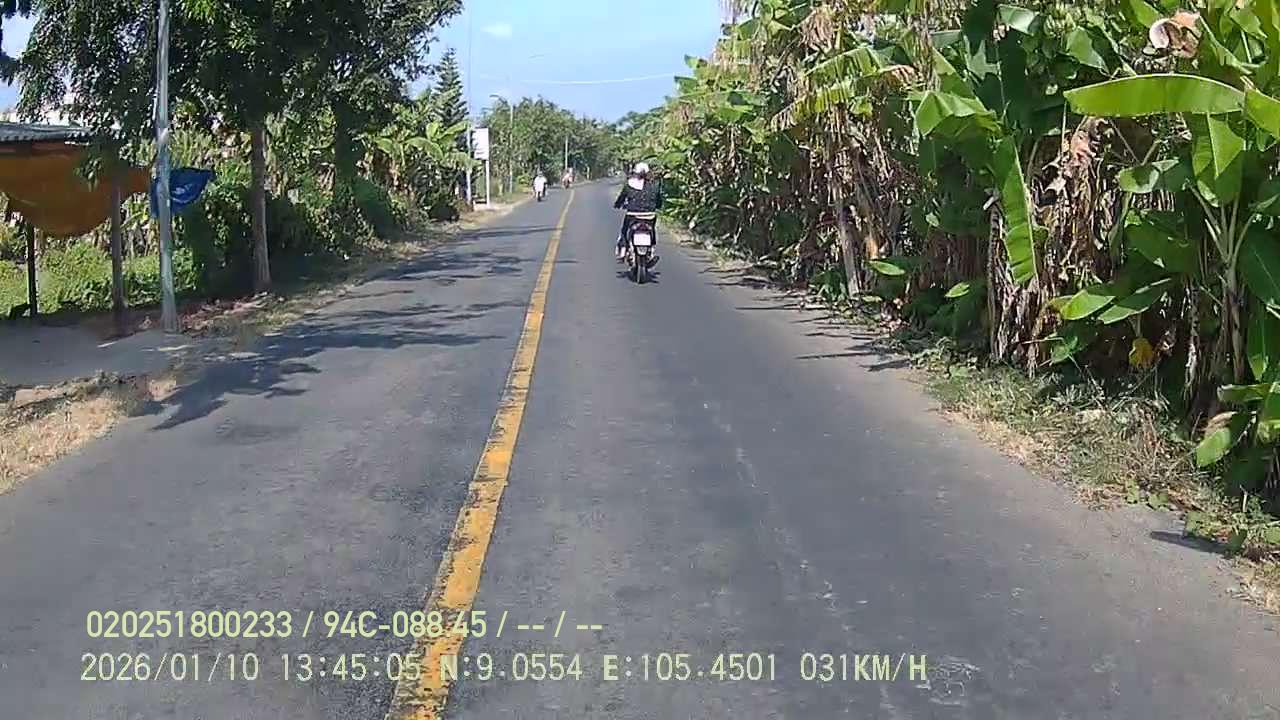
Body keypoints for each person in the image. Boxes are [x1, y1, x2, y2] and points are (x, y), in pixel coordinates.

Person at [613, 162, 663, 266]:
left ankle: (623, 249)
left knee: (624, 230)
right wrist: (657, 206)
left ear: (635, 173)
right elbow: (658, 200)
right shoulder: (654, 185)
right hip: (650, 215)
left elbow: (622, 198)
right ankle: (651, 248)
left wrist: (617, 204)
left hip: (633, 215)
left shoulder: (630, 185)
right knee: (652, 229)